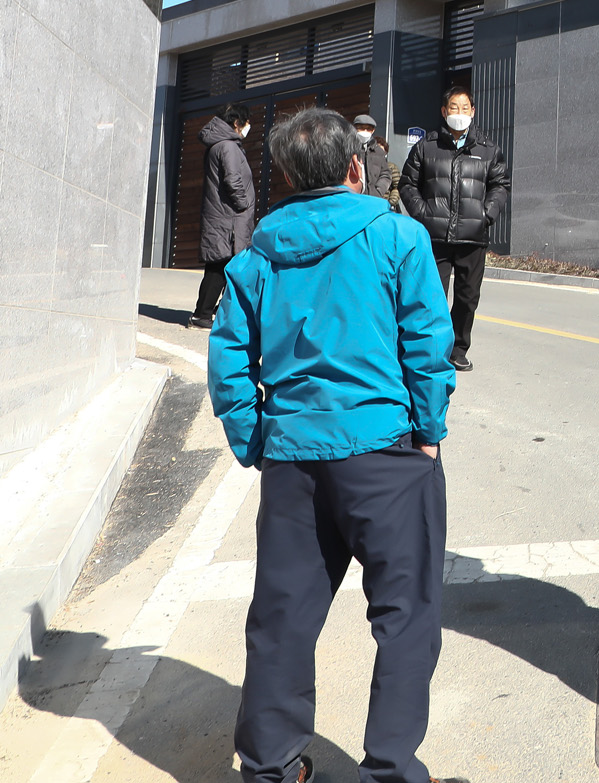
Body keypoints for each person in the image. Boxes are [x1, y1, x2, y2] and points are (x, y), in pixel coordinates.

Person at [206, 107, 461, 783]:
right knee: (405, 619)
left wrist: (256, 440)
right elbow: (427, 344)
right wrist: (429, 433)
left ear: (287, 176)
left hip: (294, 462)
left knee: (282, 620)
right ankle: (391, 769)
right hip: (385, 453)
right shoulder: (398, 236)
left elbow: (228, 360)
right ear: (355, 166)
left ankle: (269, 767)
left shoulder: (257, 256)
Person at [401, 85, 509, 371]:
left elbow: (500, 185)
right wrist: (423, 213)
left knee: (467, 298)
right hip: (435, 236)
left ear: (473, 112)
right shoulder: (427, 147)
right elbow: (407, 183)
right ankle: (432, 349)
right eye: (453, 107)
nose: (459, 113)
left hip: (473, 238)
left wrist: (487, 214)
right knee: (432, 297)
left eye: (464, 108)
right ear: (443, 111)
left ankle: (458, 350)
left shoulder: (488, 150)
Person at [191, 102, 256, 331]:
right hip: (230, 217)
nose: (248, 126)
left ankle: (209, 313)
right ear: (237, 123)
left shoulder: (219, 145)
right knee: (221, 266)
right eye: (246, 122)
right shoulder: (228, 146)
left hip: (223, 215)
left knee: (222, 264)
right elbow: (232, 179)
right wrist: (243, 205)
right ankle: (203, 314)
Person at [353, 112, 399, 204]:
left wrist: (378, 191)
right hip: (353, 200)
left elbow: (386, 174)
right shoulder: (347, 148)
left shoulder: (378, 152)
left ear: (373, 130)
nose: (365, 131)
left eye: (368, 129)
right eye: (361, 128)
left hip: (373, 201)